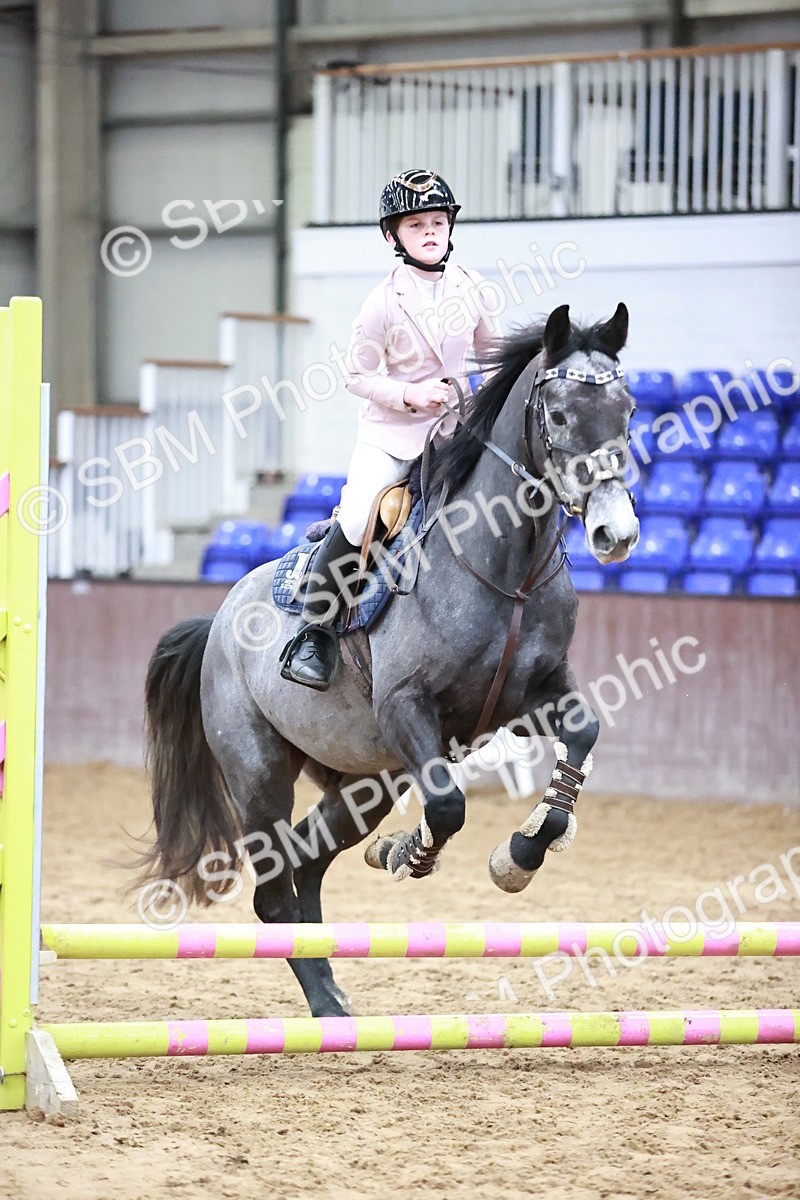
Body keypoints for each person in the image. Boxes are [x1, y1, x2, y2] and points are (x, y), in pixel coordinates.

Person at [280, 168, 501, 691]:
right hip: (391, 436)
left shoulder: (475, 289)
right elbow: (356, 375)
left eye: (438, 221)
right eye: (416, 223)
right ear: (393, 236)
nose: (430, 231)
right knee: (359, 519)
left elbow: (494, 358)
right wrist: (410, 394)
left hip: (456, 432)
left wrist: (480, 398)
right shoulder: (381, 302)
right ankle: (316, 633)